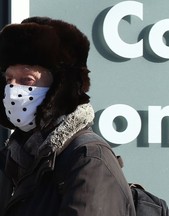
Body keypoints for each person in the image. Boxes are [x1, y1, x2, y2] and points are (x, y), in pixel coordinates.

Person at [0, 16, 136, 216]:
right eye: (9, 79)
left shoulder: (88, 159)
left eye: (27, 80)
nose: (14, 90)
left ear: (59, 86)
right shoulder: (13, 160)